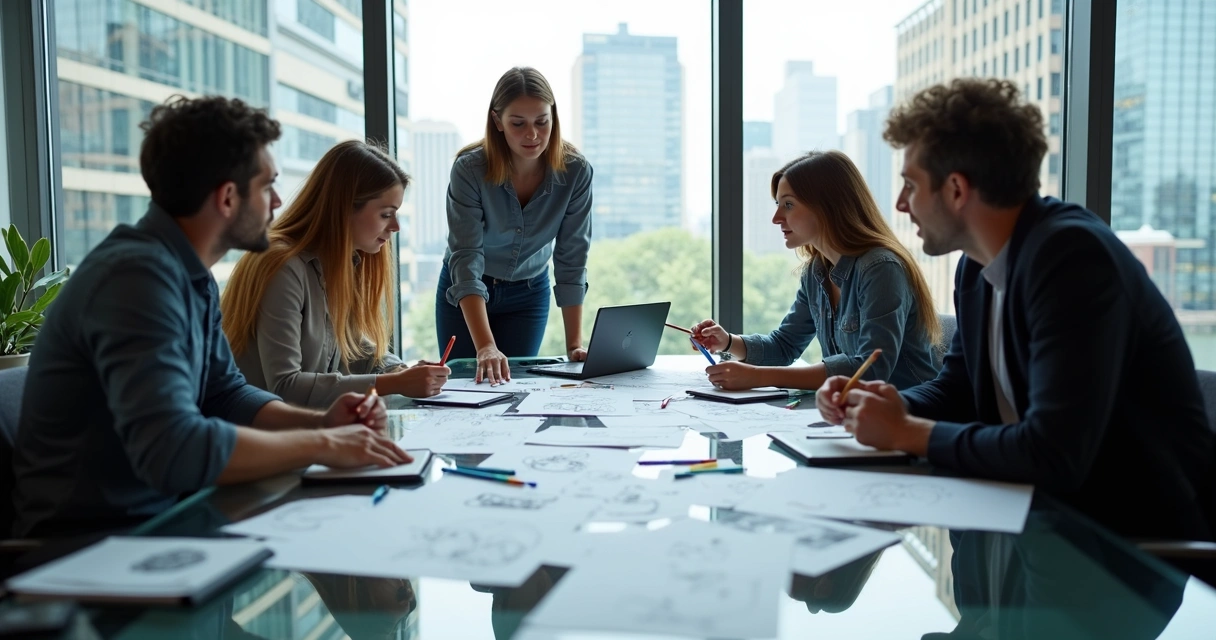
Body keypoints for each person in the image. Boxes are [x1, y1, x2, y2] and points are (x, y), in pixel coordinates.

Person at [817, 78, 1216, 541]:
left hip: (1122, 542)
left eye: (910, 184)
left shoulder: (1072, 259)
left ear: (957, 189)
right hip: (1026, 515)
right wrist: (885, 406)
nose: (902, 204)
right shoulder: (977, 266)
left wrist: (906, 433)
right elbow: (959, 388)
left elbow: (1054, 452)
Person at [11, 96, 411, 538]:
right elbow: (174, 448)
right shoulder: (136, 281)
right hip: (94, 545)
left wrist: (323, 422)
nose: (277, 201)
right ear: (226, 198)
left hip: (162, 522)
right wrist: (323, 444)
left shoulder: (185, 274)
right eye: (266, 187)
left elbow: (226, 395)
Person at [222, 140, 449, 407]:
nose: (396, 227)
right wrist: (395, 383)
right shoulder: (282, 267)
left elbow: (353, 345)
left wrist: (399, 371)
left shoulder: (342, 262)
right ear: (344, 208)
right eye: (386, 214)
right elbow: (286, 387)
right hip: (267, 438)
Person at [690, 150, 941, 391]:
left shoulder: (880, 269)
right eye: (778, 204)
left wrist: (758, 377)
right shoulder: (816, 272)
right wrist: (729, 342)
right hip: (852, 414)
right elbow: (785, 345)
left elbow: (870, 370)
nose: (776, 217)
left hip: (906, 417)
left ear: (827, 207)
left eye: (788, 205)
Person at [438, 66, 594, 384]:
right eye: (518, 123)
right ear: (498, 122)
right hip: (466, 292)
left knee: (516, 389)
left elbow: (571, 257)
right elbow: (466, 257)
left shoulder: (576, 172)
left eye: (541, 121)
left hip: (528, 294)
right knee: (466, 387)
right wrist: (485, 347)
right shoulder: (469, 170)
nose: (532, 135)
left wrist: (574, 345)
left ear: (554, 117)